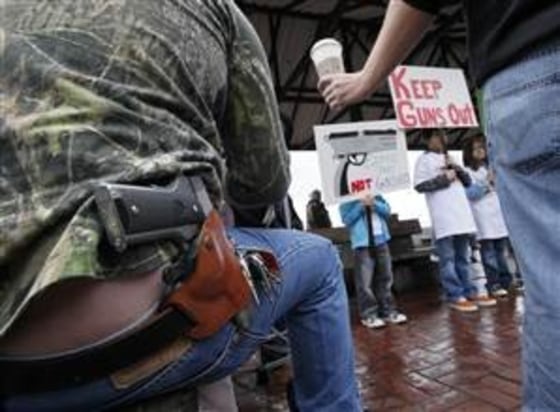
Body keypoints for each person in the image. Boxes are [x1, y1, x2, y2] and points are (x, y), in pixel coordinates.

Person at [0, 1, 362, 411]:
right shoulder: (216, 10)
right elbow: (264, 182)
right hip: (154, 326)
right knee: (318, 261)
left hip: (12, 366)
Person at [318, 0, 560, 407]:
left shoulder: (451, 162)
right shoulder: (425, 165)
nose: (437, 142)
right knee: (418, 267)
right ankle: (411, 302)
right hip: (384, 235)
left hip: (527, 66)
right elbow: (418, 188)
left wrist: (368, 77)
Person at [413, 130, 496, 312]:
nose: (441, 139)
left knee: (463, 257)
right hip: (444, 217)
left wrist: (456, 168)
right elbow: (419, 186)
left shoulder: (450, 157)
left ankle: (469, 291)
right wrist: (444, 178)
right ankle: (454, 294)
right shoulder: (424, 160)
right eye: (436, 136)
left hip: (461, 216)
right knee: (448, 260)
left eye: (443, 136)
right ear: (428, 140)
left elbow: (467, 183)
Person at [340, 194, 407, 329]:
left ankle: (388, 311)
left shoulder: (376, 193)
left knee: (386, 278)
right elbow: (347, 219)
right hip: (362, 244)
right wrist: (361, 205)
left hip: (381, 240)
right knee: (365, 283)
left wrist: (374, 204)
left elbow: (386, 210)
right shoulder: (347, 197)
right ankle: (368, 315)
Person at [463, 134, 514, 298]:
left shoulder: (491, 167)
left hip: (498, 215)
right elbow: (470, 194)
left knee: (501, 251)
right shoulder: (468, 172)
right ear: (469, 152)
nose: (480, 151)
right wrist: (486, 182)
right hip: (482, 217)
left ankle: (506, 281)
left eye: (482, 147)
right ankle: (493, 283)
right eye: (476, 148)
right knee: (489, 253)